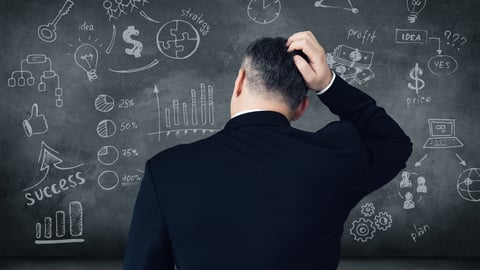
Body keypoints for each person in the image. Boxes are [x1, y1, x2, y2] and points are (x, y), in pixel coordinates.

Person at [123, 31, 412, 270]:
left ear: (238, 83)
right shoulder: (335, 159)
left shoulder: (167, 170)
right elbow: (393, 143)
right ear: (301, 108)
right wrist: (328, 85)